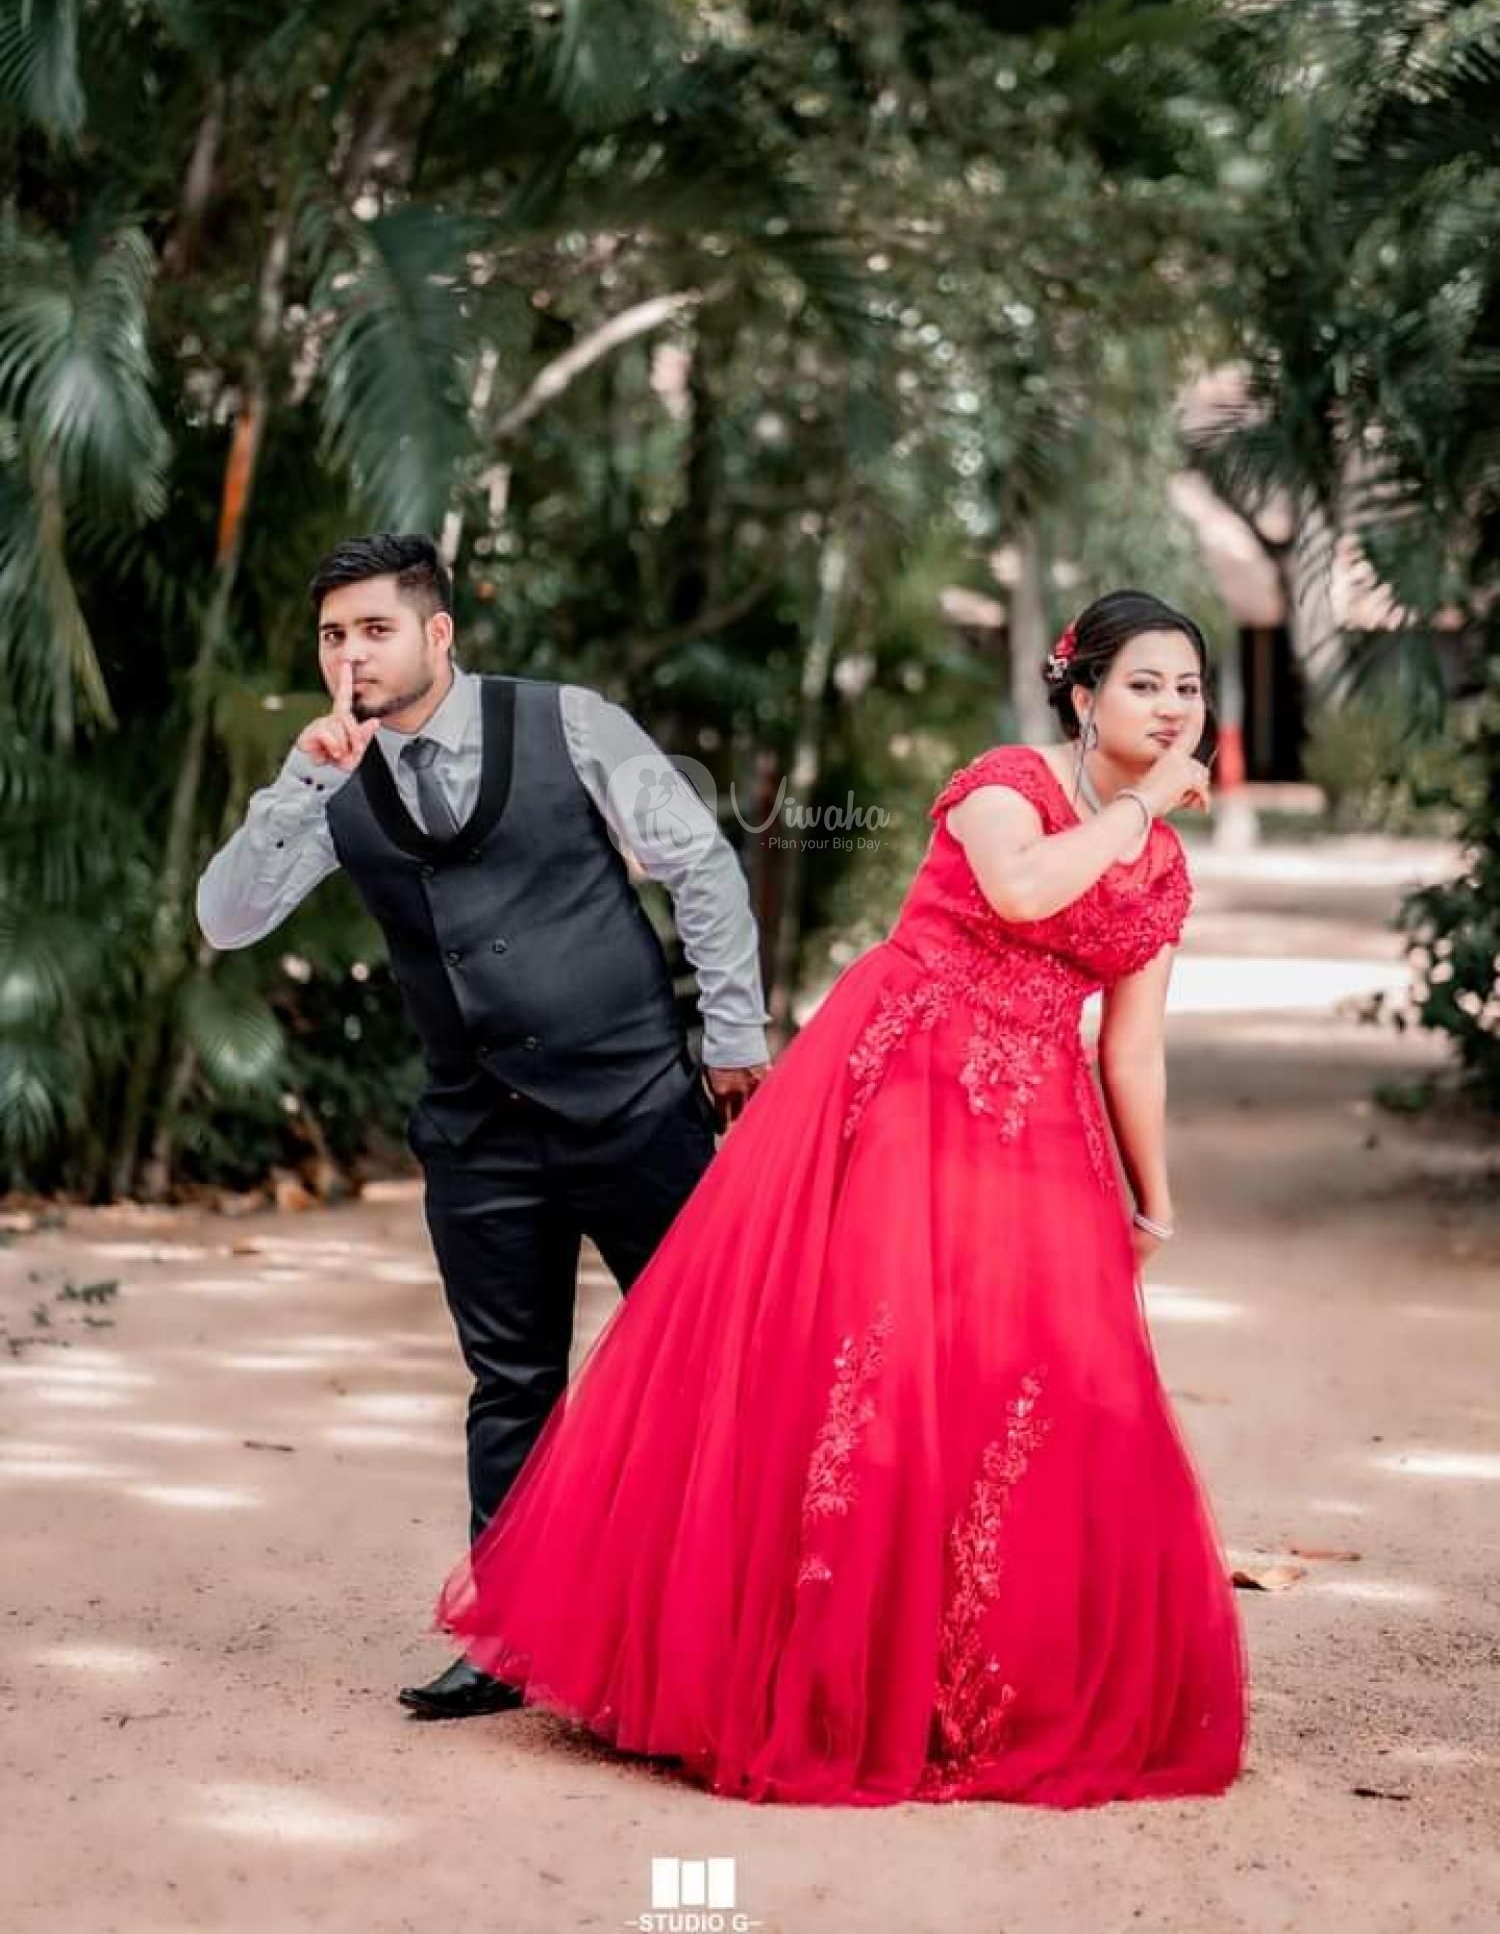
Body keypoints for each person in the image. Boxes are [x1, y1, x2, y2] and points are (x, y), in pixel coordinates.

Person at [432, 589, 1249, 1805]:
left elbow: (1133, 1049)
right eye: (1146, 683)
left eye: (1188, 688)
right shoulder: (1005, 784)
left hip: (1037, 1119)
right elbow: (1023, 893)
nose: (1173, 707)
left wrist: (1155, 1207)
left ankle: (965, 1683)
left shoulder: (1162, 870)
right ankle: (807, 1671)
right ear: (1083, 695)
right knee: (874, 1366)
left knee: (1025, 1384)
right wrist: (1139, 806)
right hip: (899, 1083)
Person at [195, 533, 770, 1718]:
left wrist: (731, 1038)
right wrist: (299, 781)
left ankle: (740, 1621)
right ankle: (505, 1642)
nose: (351, 655)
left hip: (637, 1109)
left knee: (717, 1362)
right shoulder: (332, 777)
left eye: (374, 629)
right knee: (510, 1387)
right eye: (332, 636)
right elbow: (227, 919)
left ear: (438, 632)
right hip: (478, 1136)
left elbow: (701, 866)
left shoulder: (567, 722)